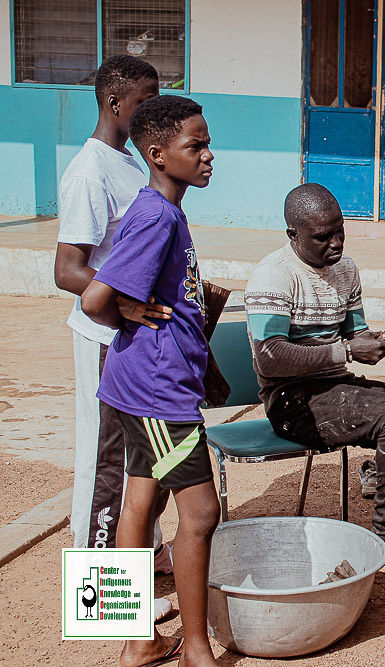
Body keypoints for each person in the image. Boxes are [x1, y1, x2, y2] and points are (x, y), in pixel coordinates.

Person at [244, 183, 385, 593]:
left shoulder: (346, 269)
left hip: (336, 388)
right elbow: (270, 357)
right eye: (322, 237)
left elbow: (355, 336)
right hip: (290, 399)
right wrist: (345, 351)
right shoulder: (273, 275)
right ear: (293, 235)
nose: (335, 243)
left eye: (340, 231)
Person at [82, 95, 219, 667]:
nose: (210, 155)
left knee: (140, 500)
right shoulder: (156, 216)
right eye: (197, 146)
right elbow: (94, 300)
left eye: (208, 142)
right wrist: (123, 311)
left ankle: (139, 641)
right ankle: (196, 649)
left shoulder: (163, 208)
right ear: (159, 155)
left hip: (143, 381)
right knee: (202, 513)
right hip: (157, 390)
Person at [52, 54, 175, 619]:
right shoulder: (89, 171)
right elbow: (68, 268)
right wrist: (123, 303)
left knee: (143, 462)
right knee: (106, 463)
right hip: (105, 338)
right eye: (146, 97)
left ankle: (138, 559)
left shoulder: (126, 161)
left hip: (135, 338)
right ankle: (101, 602)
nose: (153, 106)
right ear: (115, 102)